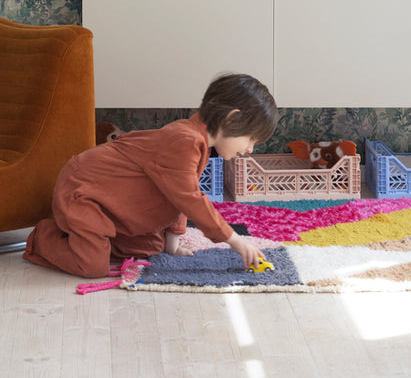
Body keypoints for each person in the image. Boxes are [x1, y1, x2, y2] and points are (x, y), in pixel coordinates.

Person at [23, 72, 278, 278]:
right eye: (251, 139)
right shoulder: (185, 140)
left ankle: (95, 238)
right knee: (92, 266)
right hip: (84, 192)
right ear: (231, 120)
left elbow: (177, 197)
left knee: (151, 248)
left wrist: (171, 243)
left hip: (112, 206)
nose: (249, 149)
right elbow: (190, 198)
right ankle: (43, 238)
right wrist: (234, 241)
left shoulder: (197, 143)